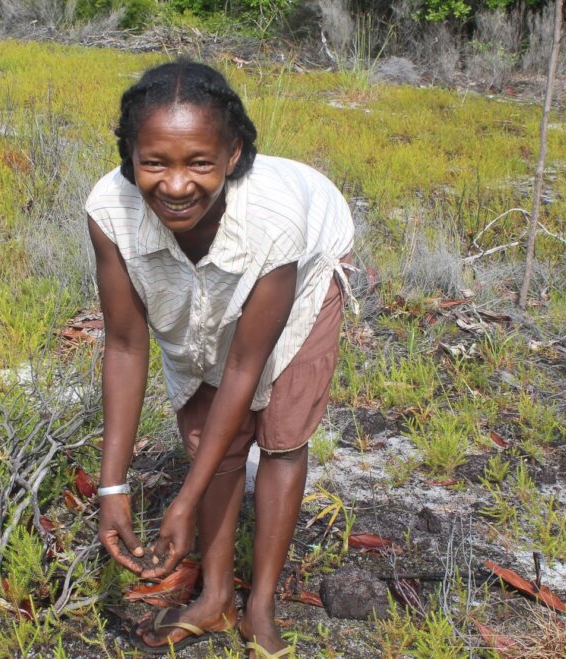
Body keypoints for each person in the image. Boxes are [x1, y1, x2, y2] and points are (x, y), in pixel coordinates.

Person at [86, 60, 354, 658]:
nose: (175, 185)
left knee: (281, 432)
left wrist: (181, 503)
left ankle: (259, 604)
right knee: (209, 432)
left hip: (300, 272)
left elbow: (244, 366)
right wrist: (112, 488)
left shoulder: (274, 220)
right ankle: (214, 600)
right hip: (204, 280)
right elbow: (126, 345)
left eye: (199, 163)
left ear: (232, 156)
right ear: (130, 156)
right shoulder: (110, 209)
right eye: (154, 162)